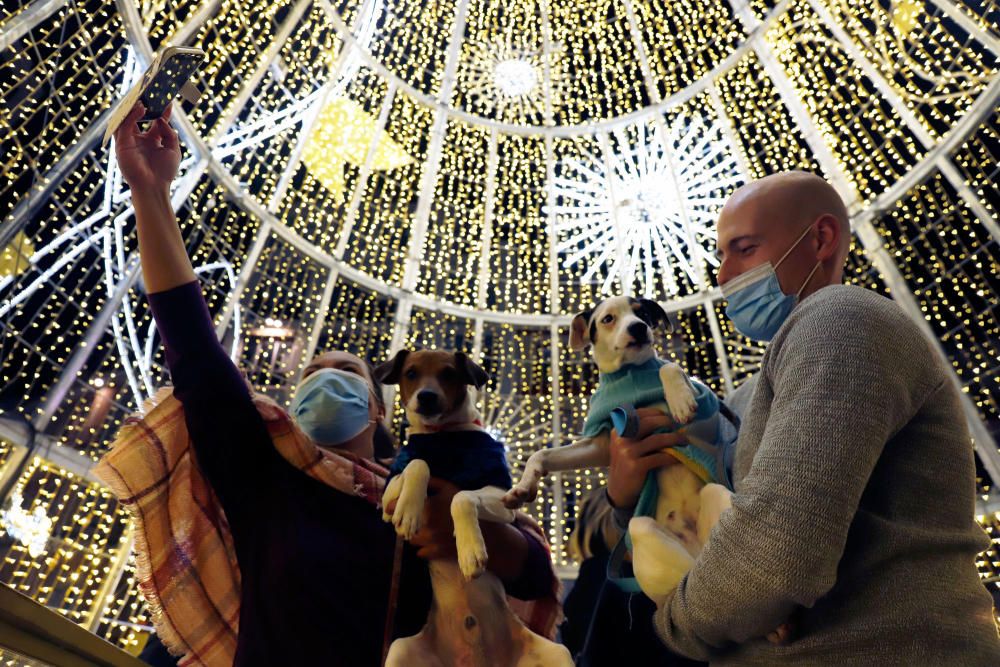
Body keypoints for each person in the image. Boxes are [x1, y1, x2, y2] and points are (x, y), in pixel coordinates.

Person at [105, 101, 557, 665]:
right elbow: (193, 350)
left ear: (376, 409)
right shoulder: (267, 478)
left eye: (346, 374)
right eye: (313, 375)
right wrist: (150, 194)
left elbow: (535, 573)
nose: (326, 382)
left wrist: (479, 531)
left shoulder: (427, 485)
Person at [608, 171, 1000, 664]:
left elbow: (774, 549)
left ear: (820, 238)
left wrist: (674, 622)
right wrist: (624, 500)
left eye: (745, 249)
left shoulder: (840, 318)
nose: (724, 276)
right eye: (721, 256)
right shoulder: (754, 388)